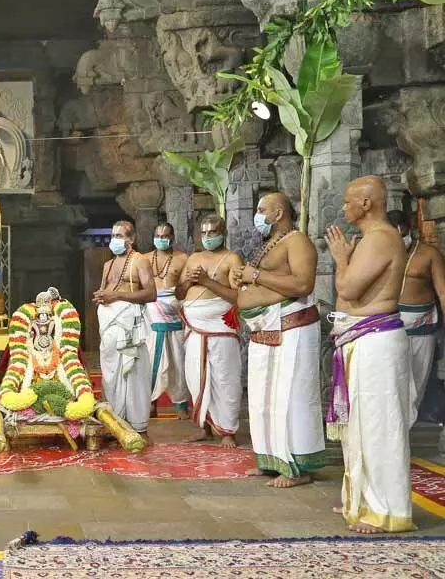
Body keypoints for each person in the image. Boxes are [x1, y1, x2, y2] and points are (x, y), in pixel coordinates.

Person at [326, 176, 414, 534]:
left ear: (366, 203)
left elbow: (348, 288)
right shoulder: (369, 239)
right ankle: (361, 498)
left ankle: (387, 510)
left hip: (376, 340)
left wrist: (340, 259)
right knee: (359, 426)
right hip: (361, 339)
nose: (344, 207)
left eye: (348, 201)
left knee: (379, 427)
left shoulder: (380, 238)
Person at [233, 193, 324, 487]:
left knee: (292, 397)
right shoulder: (271, 243)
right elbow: (262, 280)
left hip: (292, 329)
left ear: (279, 212)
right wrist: (242, 278)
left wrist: (255, 275)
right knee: (262, 399)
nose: (257, 214)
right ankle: (270, 460)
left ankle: (298, 467)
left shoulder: (297, 240)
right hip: (265, 330)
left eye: (262, 209)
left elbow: (302, 284)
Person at [176, 214, 243, 448]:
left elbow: (238, 296)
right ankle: (204, 427)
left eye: (212, 232)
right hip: (194, 327)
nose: (207, 237)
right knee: (195, 376)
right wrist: (189, 283)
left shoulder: (232, 258)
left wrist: (207, 282)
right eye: (204, 233)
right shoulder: (193, 258)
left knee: (225, 378)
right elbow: (179, 293)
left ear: (223, 233)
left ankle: (227, 431)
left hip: (220, 325)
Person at [94, 221, 157, 437]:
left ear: (131, 239)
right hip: (110, 326)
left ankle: (138, 426)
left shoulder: (140, 261)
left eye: (119, 236)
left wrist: (117, 296)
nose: (115, 240)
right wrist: (101, 297)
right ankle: (115, 423)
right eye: (113, 236)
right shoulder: (108, 265)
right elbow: (105, 292)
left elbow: (151, 293)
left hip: (130, 326)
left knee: (134, 375)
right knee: (111, 375)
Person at [387, 210, 445, 426]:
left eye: (401, 234)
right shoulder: (383, 253)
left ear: (408, 229)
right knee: (393, 384)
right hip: (389, 327)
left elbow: (443, 292)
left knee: (416, 386)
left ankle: (405, 433)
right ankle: (393, 432)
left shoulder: (429, 254)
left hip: (421, 329)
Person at [142, 222, 191, 420]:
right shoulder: (144, 259)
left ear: (172, 237)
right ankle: (150, 405)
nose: (161, 239)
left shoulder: (182, 259)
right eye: (158, 235)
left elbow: (186, 288)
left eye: (165, 235)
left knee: (179, 363)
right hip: (151, 318)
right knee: (149, 363)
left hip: (173, 316)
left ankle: (182, 408)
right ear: (153, 236)